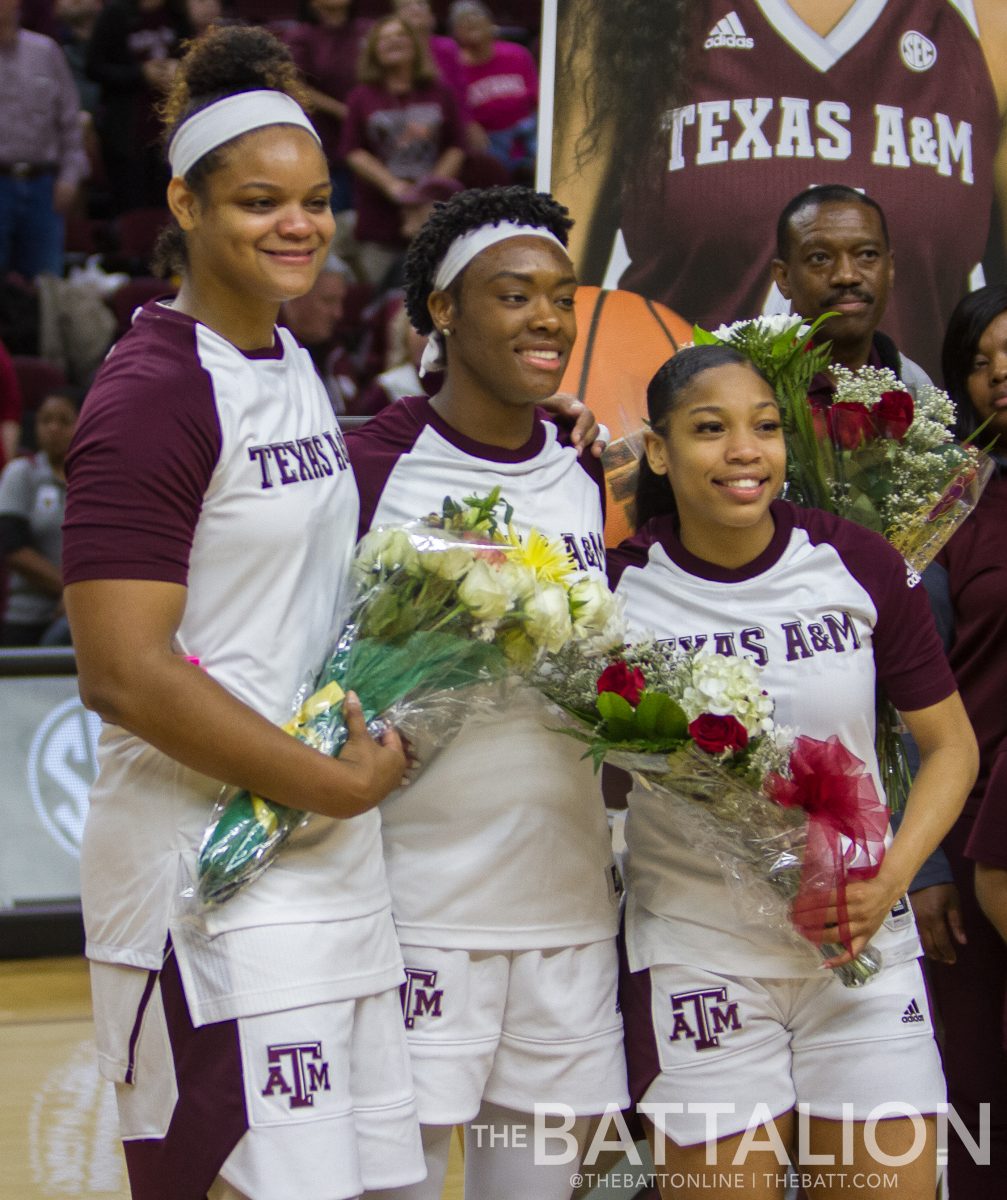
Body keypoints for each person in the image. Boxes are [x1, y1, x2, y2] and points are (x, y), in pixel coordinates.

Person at [62, 24, 425, 1200]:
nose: (299, 227)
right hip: (202, 889)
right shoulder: (154, 391)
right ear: (183, 202)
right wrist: (324, 785)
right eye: (260, 202)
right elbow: (120, 670)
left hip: (328, 873)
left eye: (315, 202)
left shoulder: (286, 358)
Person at [608, 344, 977, 1199]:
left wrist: (886, 883)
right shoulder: (620, 591)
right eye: (710, 430)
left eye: (765, 428)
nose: (745, 451)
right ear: (658, 451)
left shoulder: (856, 562)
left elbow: (950, 748)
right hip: (700, 956)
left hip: (858, 947)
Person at [347, 185, 627, 1200]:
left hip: (563, 906)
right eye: (513, 295)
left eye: (560, 297)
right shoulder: (368, 465)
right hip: (410, 908)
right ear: (443, 312)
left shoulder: (588, 473)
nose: (546, 318)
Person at [551, 0, 1007, 381]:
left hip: (917, 473)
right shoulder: (623, 14)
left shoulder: (985, 20)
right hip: (681, 470)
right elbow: (548, 280)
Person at [920, 283, 1007, 1197]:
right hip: (975, 830)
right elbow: (912, 687)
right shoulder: (943, 497)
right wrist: (933, 866)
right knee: (978, 1106)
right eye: (978, 363)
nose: (998, 376)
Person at [341, 14, 466, 285]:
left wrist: (430, 189)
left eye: (400, 35)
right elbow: (353, 151)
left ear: (415, 45)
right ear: (373, 49)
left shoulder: (440, 91)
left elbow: (457, 144)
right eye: (384, 38)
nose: (393, 41)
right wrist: (392, 186)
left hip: (434, 215)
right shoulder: (360, 96)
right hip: (380, 219)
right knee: (380, 297)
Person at [771, 184, 930, 393]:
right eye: (820, 258)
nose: (846, 276)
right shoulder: (747, 383)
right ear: (783, 278)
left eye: (867, 255)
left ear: (890, 269)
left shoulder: (916, 388)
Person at [0, 0, 89, 279]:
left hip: (44, 188)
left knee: (45, 290)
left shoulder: (45, 51)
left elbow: (70, 122)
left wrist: (69, 178)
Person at [86, 0, 192, 213]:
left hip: (170, 130)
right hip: (126, 130)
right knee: (132, 207)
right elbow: (94, 68)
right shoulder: (115, 14)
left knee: (168, 208)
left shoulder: (178, 14)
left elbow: (192, 60)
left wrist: (180, 70)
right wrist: (140, 74)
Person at [0, 387, 77, 646]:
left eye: (64, 421)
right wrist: (69, 590)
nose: (54, 428)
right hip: (27, 617)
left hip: (82, 616)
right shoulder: (21, 473)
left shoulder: (94, 479)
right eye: (46, 420)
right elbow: (12, 546)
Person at [284, 1, 370, 213]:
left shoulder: (368, 30)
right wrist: (346, 112)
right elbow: (295, 85)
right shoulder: (301, 36)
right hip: (327, 143)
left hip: (372, 142)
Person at [449, 0, 537, 175]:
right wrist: (469, 124)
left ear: (491, 24)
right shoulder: (454, 68)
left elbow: (538, 95)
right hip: (489, 138)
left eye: (476, 16)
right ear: (455, 34)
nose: (470, 21)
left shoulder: (517, 53)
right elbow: (455, 110)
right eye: (462, 20)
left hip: (528, 128)